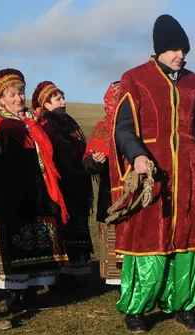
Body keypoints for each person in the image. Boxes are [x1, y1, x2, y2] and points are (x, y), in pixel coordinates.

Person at [110, 14, 195, 333]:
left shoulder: (194, 82)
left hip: (191, 172)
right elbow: (123, 127)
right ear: (159, 49)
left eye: (183, 49)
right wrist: (138, 155)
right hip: (153, 173)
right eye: (174, 49)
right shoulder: (136, 78)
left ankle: (186, 306)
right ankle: (137, 309)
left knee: (191, 239)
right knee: (149, 239)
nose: (180, 55)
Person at [0, 69, 69, 313]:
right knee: (13, 242)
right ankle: (15, 294)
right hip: (11, 193)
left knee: (40, 242)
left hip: (39, 192)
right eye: (12, 94)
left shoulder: (34, 123)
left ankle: (33, 292)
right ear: (1, 99)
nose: (19, 98)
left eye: (21, 92)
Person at [32, 81, 93, 283]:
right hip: (58, 186)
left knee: (76, 226)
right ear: (45, 104)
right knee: (60, 229)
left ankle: (76, 273)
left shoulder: (70, 122)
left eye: (63, 97)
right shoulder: (44, 124)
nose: (64, 101)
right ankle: (61, 276)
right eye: (57, 98)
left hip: (76, 183)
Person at [83, 81, 122, 286]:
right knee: (114, 234)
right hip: (111, 193)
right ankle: (117, 281)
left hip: (139, 192)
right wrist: (95, 162)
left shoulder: (143, 123)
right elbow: (88, 164)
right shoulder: (103, 128)